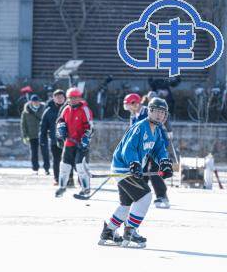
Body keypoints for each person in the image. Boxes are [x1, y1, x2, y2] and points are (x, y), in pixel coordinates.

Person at [98, 97, 173, 248]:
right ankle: (130, 231)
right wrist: (134, 164)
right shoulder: (140, 127)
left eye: (163, 113)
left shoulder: (156, 130)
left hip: (128, 169)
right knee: (145, 196)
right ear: (149, 111)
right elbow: (129, 148)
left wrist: (164, 162)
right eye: (156, 111)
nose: (160, 115)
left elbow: (159, 149)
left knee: (126, 204)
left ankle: (109, 231)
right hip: (124, 168)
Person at [124, 93, 173, 209]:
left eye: (128, 106)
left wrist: (169, 131)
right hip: (145, 147)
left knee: (154, 170)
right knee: (141, 170)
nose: (128, 109)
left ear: (135, 104)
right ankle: (141, 195)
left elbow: (162, 121)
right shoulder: (134, 115)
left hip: (156, 145)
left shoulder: (148, 111)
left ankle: (162, 196)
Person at [54, 87, 93, 197]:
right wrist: (61, 128)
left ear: (80, 98)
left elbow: (90, 127)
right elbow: (60, 120)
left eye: (75, 98)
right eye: (70, 98)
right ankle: (62, 187)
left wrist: (85, 139)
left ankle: (85, 188)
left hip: (81, 143)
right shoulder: (66, 109)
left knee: (81, 166)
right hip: (69, 142)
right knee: (64, 166)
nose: (73, 100)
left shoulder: (85, 109)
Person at [40, 89, 66, 185]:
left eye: (61, 97)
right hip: (55, 140)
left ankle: (69, 178)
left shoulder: (68, 108)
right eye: (57, 97)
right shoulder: (48, 111)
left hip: (68, 140)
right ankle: (57, 178)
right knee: (56, 160)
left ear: (64, 98)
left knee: (68, 161)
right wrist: (42, 140)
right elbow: (43, 127)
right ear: (53, 98)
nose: (59, 99)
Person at [20, 94, 46, 175]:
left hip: (43, 134)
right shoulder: (26, 111)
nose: (36, 103)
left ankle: (47, 168)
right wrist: (25, 135)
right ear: (31, 102)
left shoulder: (44, 109)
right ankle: (35, 169)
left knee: (45, 152)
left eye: (37, 101)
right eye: (34, 101)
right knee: (34, 153)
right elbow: (23, 124)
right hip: (32, 135)